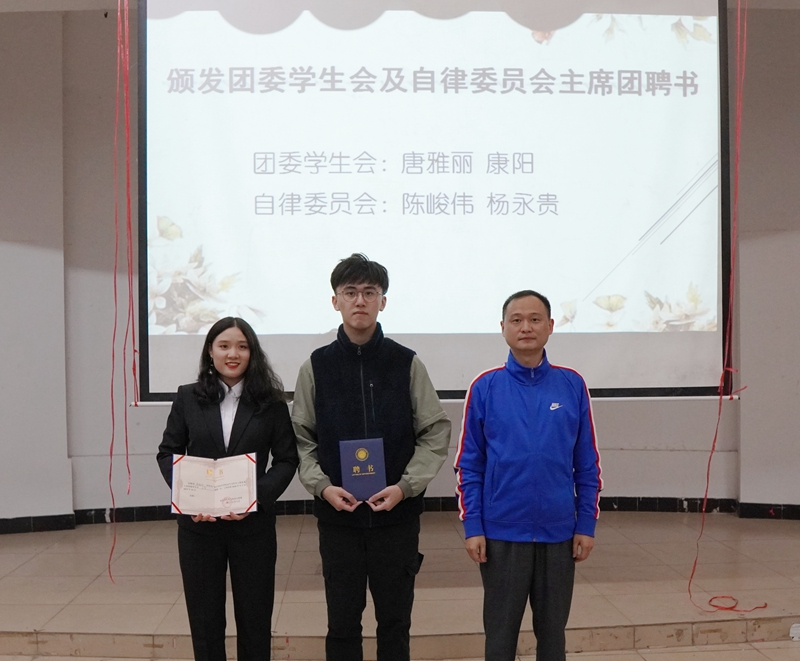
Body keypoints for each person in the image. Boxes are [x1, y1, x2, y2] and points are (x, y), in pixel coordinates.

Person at [291, 253, 451, 661]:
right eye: (350, 292)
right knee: (342, 623)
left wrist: (406, 487)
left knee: (395, 623)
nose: (359, 300)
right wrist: (322, 487)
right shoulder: (316, 367)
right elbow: (301, 437)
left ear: (383, 301)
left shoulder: (406, 362)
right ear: (335, 301)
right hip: (338, 519)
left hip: (396, 517)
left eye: (369, 292)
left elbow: (434, 431)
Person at [454, 290, 602, 661]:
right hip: (501, 533)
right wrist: (473, 526)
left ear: (550, 326)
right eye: (516, 320)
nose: (526, 327)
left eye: (535, 319)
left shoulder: (572, 385)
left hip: (559, 533)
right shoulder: (485, 387)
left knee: (552, 636)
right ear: (502, 327)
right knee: (500, 636)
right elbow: (469, 464)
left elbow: (586, 463)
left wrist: (585, 524)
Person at [157, 317, 299, 661]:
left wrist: (254, 497)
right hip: (198, 527)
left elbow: (286, 460)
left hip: (253, 527)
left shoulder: (271, 402)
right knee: (205, 622)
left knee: (255, 618)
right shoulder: (188, 397)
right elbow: (168, 452)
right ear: (210, 351)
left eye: (242, 346)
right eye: (224, 346)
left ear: (252, 352)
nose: (232, 354)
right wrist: (189, 499)